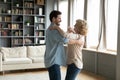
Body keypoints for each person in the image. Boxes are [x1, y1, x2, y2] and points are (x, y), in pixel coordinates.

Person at [44, 10, 83, 80]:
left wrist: (68, 32)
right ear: (53, 19)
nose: (61, 20)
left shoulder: (50, 29)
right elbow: (65, 40)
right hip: (53, 61)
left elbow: (61, 37)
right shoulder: (53, 30)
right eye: (59, 18)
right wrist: (78, 41)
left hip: (52, 60)